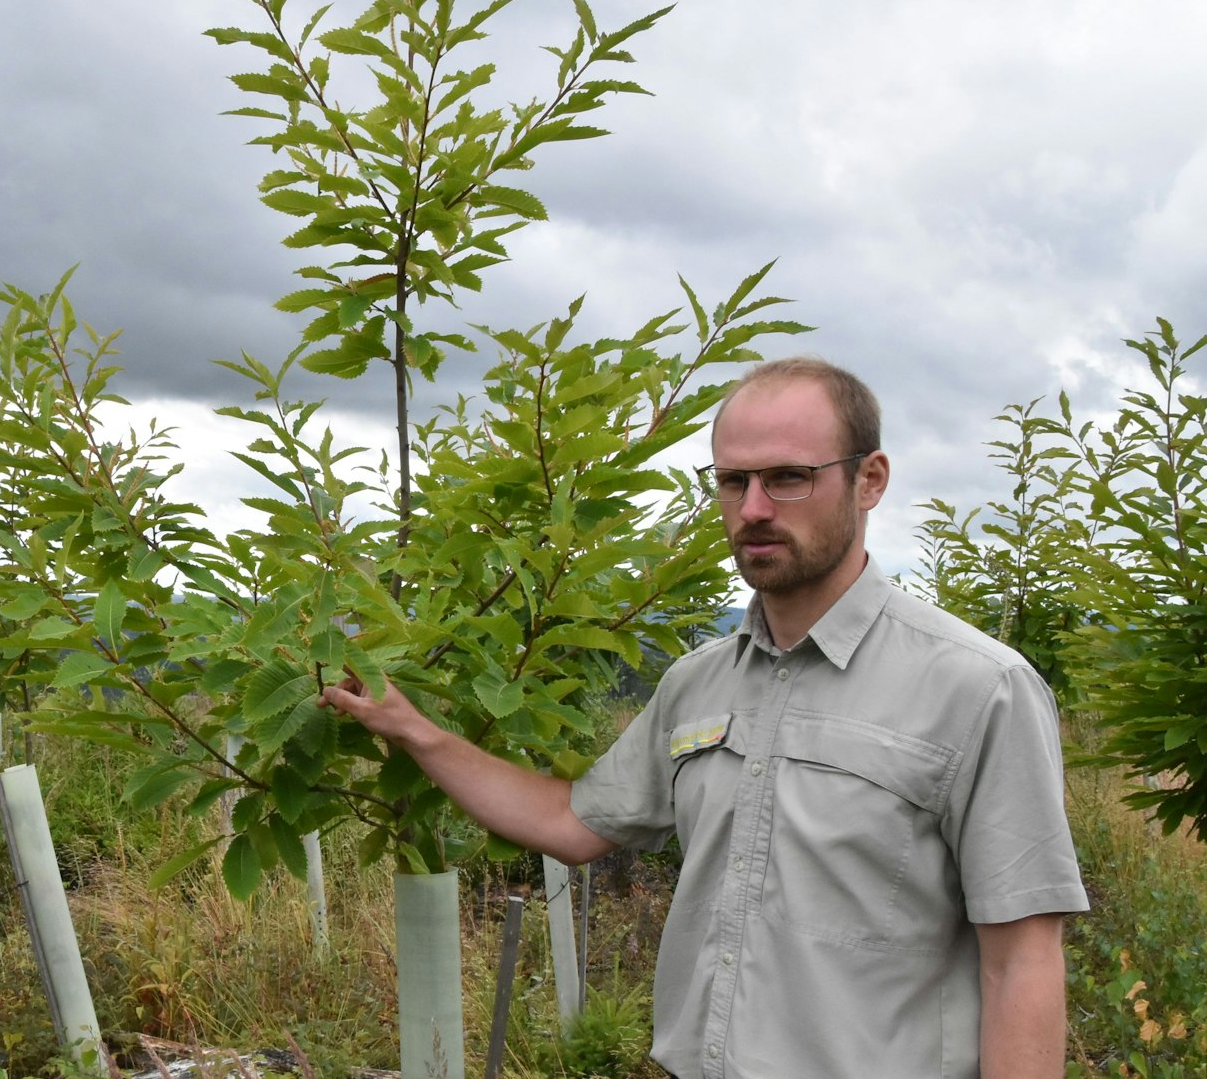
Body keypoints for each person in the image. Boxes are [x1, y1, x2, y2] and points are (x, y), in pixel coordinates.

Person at [320, 357, 1088, 1078]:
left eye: (789, 477)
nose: (753, 508)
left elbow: (1022, 958)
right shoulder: (696, 684)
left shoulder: (979, 688)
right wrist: (413, 728)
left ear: (870, 480)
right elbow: (572, 821)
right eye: (732, 480)